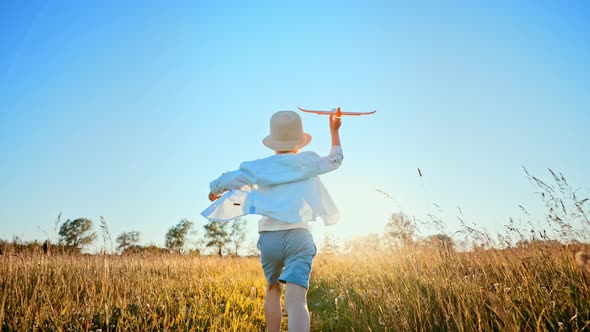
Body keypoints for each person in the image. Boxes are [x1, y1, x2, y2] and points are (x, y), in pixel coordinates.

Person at [202, 110, 343, 331]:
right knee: (297, 301)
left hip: (270, 239)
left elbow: (229, 178)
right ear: (300, 142)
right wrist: (334, 131)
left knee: (273, 289)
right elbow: (335, 160)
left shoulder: (259, 166)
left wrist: (214, 191)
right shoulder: (308, 161)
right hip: (299, 237)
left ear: (273, 143)